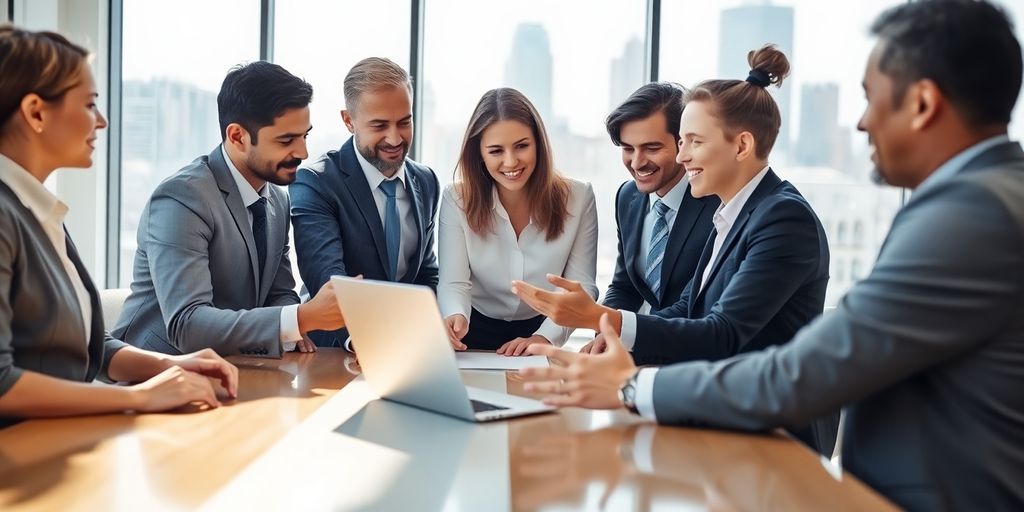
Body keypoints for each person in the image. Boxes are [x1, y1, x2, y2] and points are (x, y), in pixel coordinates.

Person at [520, 1, 1024, 508]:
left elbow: (811, 366)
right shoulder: (982, 199)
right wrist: (615, 338)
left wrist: (632, 387)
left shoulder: (970, 215)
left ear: (922, 103)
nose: (863, 123)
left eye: (872, 99)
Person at [0, 25, 237, 427]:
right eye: (90, 104)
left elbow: (83, 348)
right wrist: (141, 399)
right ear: (36, 112)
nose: (102, 122)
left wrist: (170, 364)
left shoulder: (36, 210)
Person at [112, 61, 344, 358]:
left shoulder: (276, 198)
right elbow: (188, 325)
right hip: (152, 374)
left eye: (305, 136)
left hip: (236, 368)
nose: (303, 153)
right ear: (237, 136)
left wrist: (291, 326)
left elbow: (278, 292)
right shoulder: (182, 199)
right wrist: (300, 318)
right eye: (287, 140)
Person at [290, 57, 439, 349]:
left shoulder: (426, 181)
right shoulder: (315, 182)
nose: (395, 138)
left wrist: (427, 330)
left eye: (404, 122)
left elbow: (425, 272)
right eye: (379, 125)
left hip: (406, 346)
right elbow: (328, 280)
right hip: (334, 350)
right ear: (349, 121)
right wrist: (366, 340)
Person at [438, 88, 598, 354]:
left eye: (522, 146)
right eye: (496, 151)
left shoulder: (579, 197)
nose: (510, 161)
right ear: (479, 153)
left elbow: (582, 286)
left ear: (539, 144)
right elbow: (454, 282)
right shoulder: (456, 198)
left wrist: (545, 338)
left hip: (544, 327)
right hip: (471, 327)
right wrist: (455, 316)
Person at [588, 82, 718, 353]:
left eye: (651, 148)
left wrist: (626, 338)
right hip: (639, 352)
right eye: (628, 148)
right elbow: (625, 286)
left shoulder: (716, 203)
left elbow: (694, 305)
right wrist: (605, 332)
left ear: (682, 143)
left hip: (690, 355)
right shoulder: (628, 197)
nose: (637, 163)